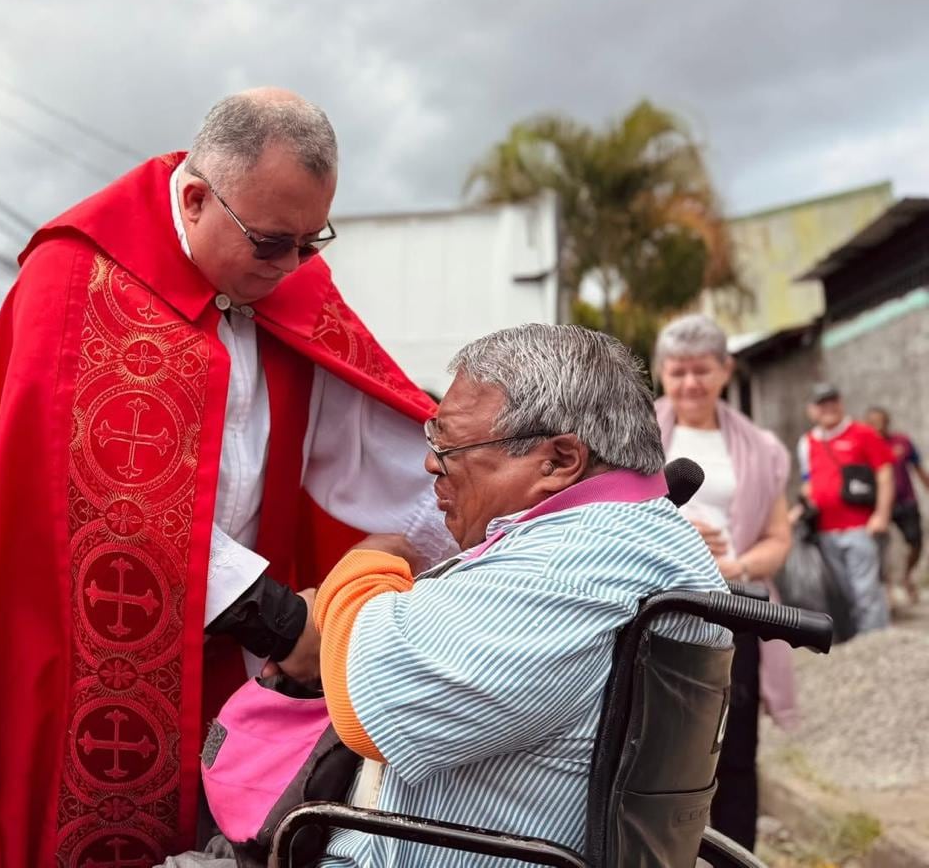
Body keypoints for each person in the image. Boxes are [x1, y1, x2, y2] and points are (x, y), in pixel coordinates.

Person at [0, 89, 456, 867]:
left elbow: (390, 452)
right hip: (83, 668)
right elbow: (101, 508)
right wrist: (281, 620)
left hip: (234, 672)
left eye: (313, 243)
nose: (293, 268)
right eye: (273, 243)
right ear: (198, 198)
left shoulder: (282, 280)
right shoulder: (74, 282)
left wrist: (502, 507)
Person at [306, 324, 730, 866]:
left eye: (450, 447)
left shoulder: (579, 561)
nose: (431, 464)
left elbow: (366, 709)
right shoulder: (632, 532)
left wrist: (366, 567)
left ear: (557, 461)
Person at [653, 314, 794, 851]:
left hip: (737, 607)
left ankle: (732, 855)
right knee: (658, 742)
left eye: (702, 370)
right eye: (678, 370)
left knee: (733, 748)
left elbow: (778, 537)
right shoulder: (633, 433)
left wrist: (737, 567)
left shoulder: (759, 447)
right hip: (659, 605)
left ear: (725, 371)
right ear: (662, 371)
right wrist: (672, 526)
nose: (690, 383)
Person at [797, 383, 894, 634]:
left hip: (860, 527)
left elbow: (885, 474)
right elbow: (808, 483)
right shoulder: (807, 443)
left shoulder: (863, 433)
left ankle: (875, 642)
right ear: (812, 410)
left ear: (841, 403)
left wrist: (881, 515)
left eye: (832, 401)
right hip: (826, 531)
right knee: (845, 591)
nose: (828, 408)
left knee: (866, 591)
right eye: (822, 403)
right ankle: (859, 641)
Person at [863, 407, 927, 602]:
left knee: (915, 542)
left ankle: (907, 576)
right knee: (880, 549)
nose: (876, 425)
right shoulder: (866, 446)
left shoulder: (902, 442)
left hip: (906, 501)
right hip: (880, 505)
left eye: (880, 421)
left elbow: (918, 468)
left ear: (887, 422)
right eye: (872, 422)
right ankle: (887, 588)